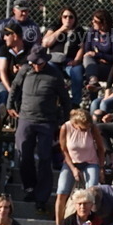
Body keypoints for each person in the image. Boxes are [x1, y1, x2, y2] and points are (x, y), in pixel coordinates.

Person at [7, 46, 71, 213]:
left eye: (38, 62)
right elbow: (14, 86)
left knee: (44, 158)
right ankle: (29, 187)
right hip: (26, 118)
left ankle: (41, 197)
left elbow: (65, 99)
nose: (35, 65)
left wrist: (65, 122)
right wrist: (9, 105)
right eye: (33, 62)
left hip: (46, 121)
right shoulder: (25, 70)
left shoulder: (54, 75)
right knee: (23, 154)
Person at [54, 108, 105, 225]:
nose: (85, 130)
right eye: (82, 128)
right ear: (75, 124)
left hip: (90, 162)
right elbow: (64, 149)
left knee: (91, 192)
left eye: (87, 127)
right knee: (62, 191)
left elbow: (101, 148)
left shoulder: (92, 128)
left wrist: (101, 168)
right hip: (71, 162)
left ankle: (89, 224)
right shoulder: (65, 128)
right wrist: (73, 168)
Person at [42, 6, 84, 105]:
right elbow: (46, 43)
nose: (68, 19)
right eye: (65, 17)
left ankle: (75, 103)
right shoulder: (55, 27)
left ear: (75, 19)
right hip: (54, 60)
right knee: (51, 69)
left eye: (71, 17)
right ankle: (54, 100)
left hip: (69, 61)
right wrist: (61, 30)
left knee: (77, 70)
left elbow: (82, 48)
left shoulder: (79, 31)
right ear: (61, 18)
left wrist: (77, 60)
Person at [81, 9, 113, 83]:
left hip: (109, 66)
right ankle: (93, 81)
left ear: (104, 23)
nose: (92, 22)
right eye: (92, 20)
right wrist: (97, 58)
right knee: (87, 58)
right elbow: (87, 50)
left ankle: (93, 82)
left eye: (95, 21)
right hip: (94, 62)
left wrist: (98, 55)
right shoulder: (92, 32)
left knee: (91, 70)